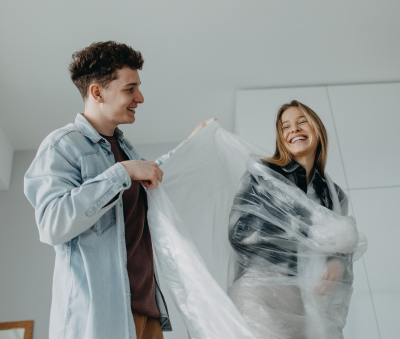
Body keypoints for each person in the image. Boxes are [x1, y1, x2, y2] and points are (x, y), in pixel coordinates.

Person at [24, 41, 213, 339]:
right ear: (97, 92)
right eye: (130, 89)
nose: (140, 97)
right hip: (99, 319)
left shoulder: (124, 148)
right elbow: (52, 224)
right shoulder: (62, 146)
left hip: (146, 313)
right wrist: (121, 173)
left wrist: (192, 146)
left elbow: (151, 176)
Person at [228, 100, 367, 339]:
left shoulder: (335, 195)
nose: (293, 129)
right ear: (281, 139)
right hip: (260, 291)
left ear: (317, 130)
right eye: (285, 127)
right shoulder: (263, 174)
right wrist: (306, 231)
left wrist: (336, 263)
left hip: (306, 302)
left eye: (302, 122)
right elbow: (240, 233)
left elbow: (338, 250)